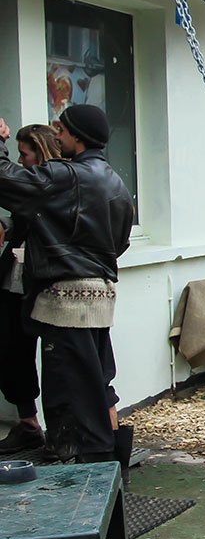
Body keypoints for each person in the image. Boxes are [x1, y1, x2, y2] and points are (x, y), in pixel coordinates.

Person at [0, 106, 134, 466]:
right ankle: (107, 470)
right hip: (100, 298)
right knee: (94, 387)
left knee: (71, 395)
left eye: (61, 130)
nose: (56, 136)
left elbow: (7, 182)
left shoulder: (68, 176)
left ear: (78, 136)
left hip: (67, 302)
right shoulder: (115, 182)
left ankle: (90, 476)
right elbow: (120, 243)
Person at [0, 125, 61, 454]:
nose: (21, 160)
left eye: (24, 154)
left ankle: (61, 433)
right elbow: (23, 220)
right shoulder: (34, 186)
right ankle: (29, 424)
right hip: (15, 281)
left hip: (46, 283)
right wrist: (7, 225)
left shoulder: (54, 184)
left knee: (56, 358)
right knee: (12, 352)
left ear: (41, 152)